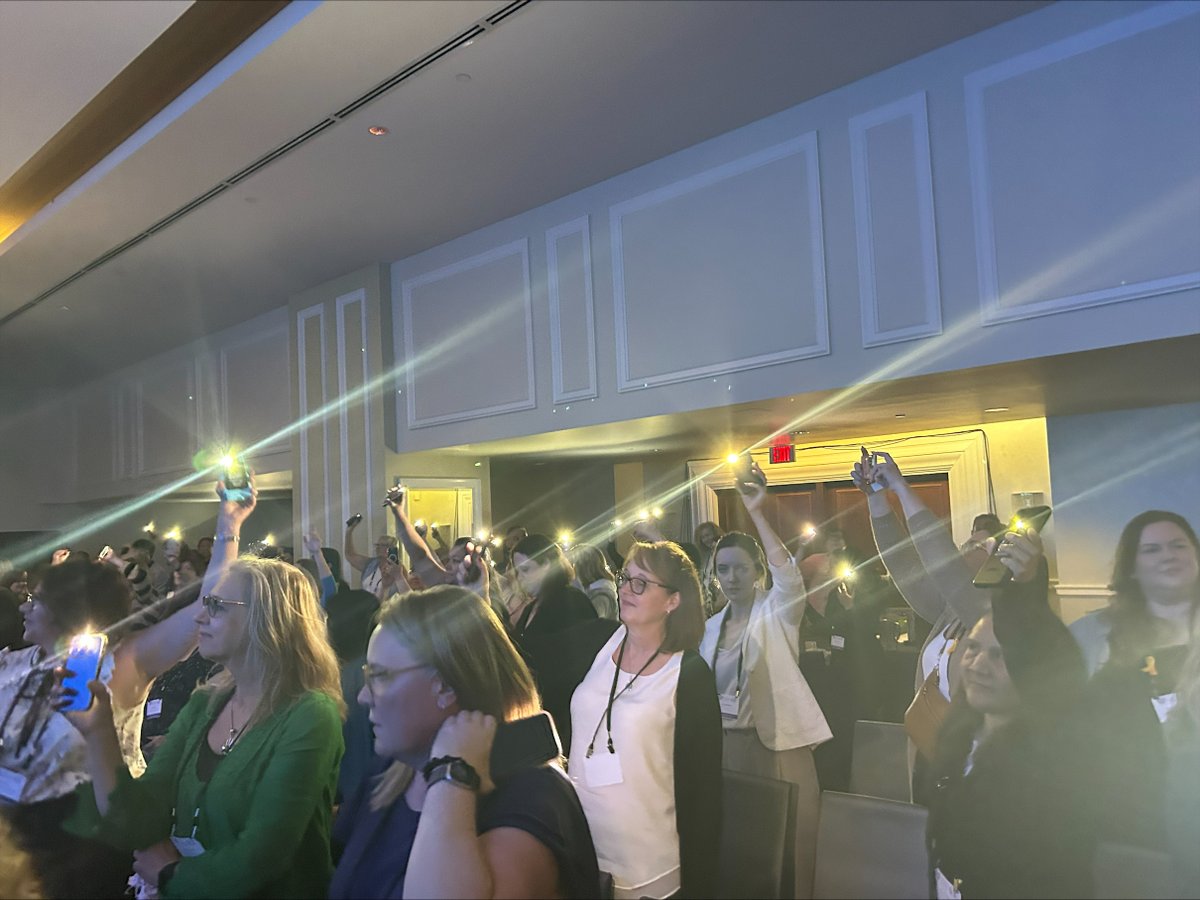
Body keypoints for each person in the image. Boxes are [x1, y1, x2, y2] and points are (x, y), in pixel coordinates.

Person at [63, 555, 346, 899]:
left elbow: (262, 855)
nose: (199, 616)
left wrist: (172, 873)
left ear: (267, 618)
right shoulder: (206, 703)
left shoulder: (310, 714)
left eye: (216, 605)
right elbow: (139, 817)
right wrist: (98, 732)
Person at [330, 584, 599, 899]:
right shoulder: (392, 772)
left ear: (445, 684)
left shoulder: (535, 798)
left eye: (380, 676)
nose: (363, 697)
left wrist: (451, 773)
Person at [925, 524, 1103, 898]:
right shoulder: (958, 741)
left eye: (1000, 655)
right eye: (972, 648)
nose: (977, 664)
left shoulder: (1050, 758)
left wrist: (1027, 586)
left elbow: (1049, 654)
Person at [699, 459, 830, 899]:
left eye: (740, 568)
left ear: (757, 570)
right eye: (723, 570)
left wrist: (757, 511)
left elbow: (789, 578)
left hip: (775, 743)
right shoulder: (709, 628)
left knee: (788, 851)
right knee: (739, 855)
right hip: (724, 746)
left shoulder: (776, 612)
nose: (731, 578)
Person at [568, 540, 721, 899]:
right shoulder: (604, 644)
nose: (625, 589)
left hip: (647, 864)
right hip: (580, 848)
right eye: (625, 578)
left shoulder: (689, 674)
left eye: (641, 583)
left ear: (673, 600)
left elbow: (704, 791)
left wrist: (701, 884)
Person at [851, 451, 992, 794]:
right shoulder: (949, 611)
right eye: (964, 543)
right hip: (931, 763)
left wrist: (901, 487)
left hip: (975, 775)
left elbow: (942, 562)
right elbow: (904, 564)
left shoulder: (985, 614)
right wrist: (877, 500)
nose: (963, 549)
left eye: (977, 547)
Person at [1070, 510, 1199, 676]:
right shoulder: (1089, 632)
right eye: (1152, 550)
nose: (1169, 556)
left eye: (1178, 546)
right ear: (1131, 568)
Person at [343, 516, 398, 596]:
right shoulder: (371, 564)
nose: (378, 548)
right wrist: (349, 531)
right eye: (377, 545)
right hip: (367, 605)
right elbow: (350, 555)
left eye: (383, 545)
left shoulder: (399, 570)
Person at [568, 542, 619, 620]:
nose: (570, 570)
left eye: (572, 565)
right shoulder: (593, 592)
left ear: (582, 567)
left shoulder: (601, 596)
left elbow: (587, 624)